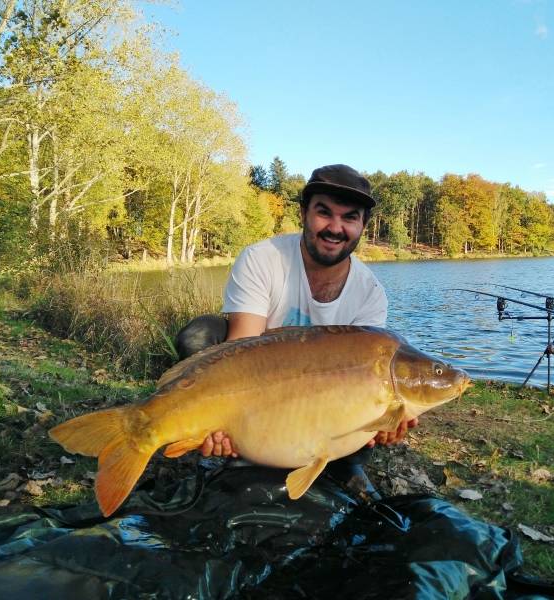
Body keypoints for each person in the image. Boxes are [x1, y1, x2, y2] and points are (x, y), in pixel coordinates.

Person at [174, 164, 417, 496]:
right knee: (201, 335)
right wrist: (226, 422)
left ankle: (344, 460)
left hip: (324, 402)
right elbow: (240, 352)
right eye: (324, 213)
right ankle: (231, 439)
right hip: (259, 387)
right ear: (303, 213)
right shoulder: (263, 258)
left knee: (371, 400)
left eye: (349, 218)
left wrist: (386, 424)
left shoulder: (369, 291)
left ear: (363, 226)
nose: (335, 228)